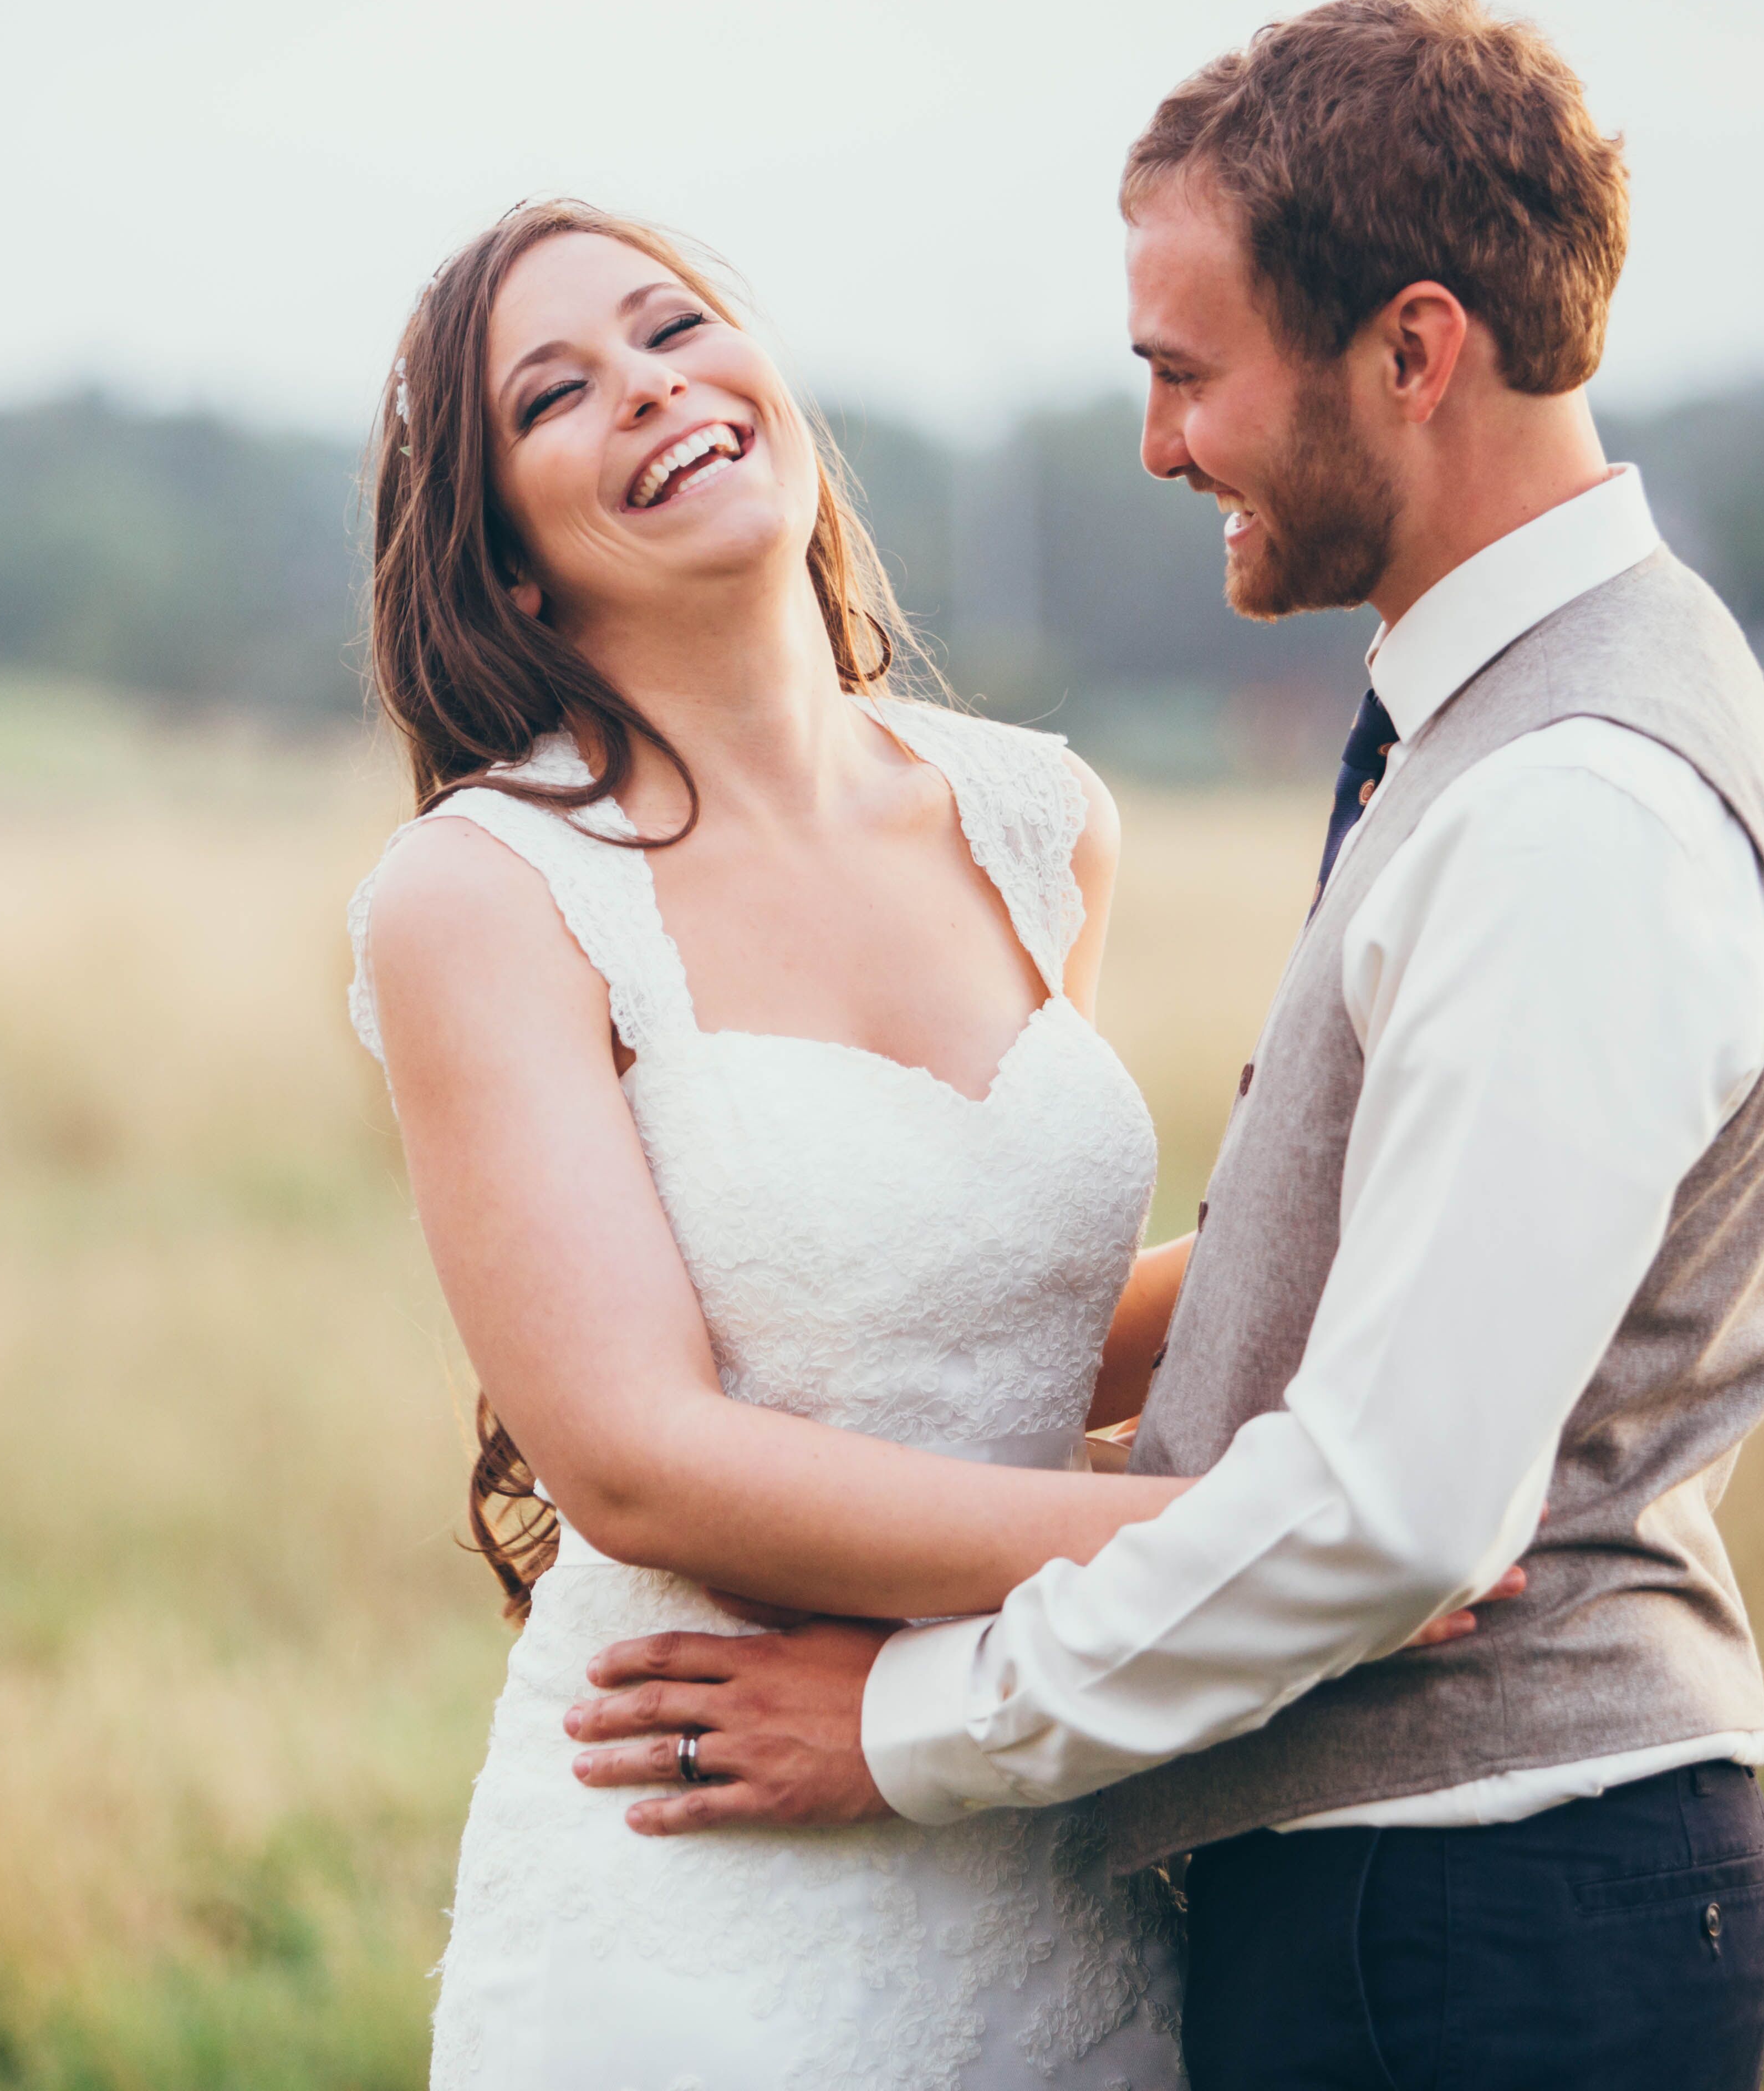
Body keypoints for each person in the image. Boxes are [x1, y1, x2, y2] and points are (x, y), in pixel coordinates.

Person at [569, 0, 1764, 2091]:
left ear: (1413, 352)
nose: (1162, 445)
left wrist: (893, 1728)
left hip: (1465, 1927)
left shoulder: (1566, 807)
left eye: (1186, 374)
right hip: (1425, 1907)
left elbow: (1393, 1517)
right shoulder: (1521, 718)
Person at [346, 198, 1516, 2088]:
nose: (652, 390)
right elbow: (636, 1463)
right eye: (558, 394)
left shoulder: (1039, 818)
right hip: (713, 1853)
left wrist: (1410, 1236)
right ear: (511, 566)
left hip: (1036, 1811)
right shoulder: (481, 897)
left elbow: (1002, 1308)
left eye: (675, 328)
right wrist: (1226, 1544)